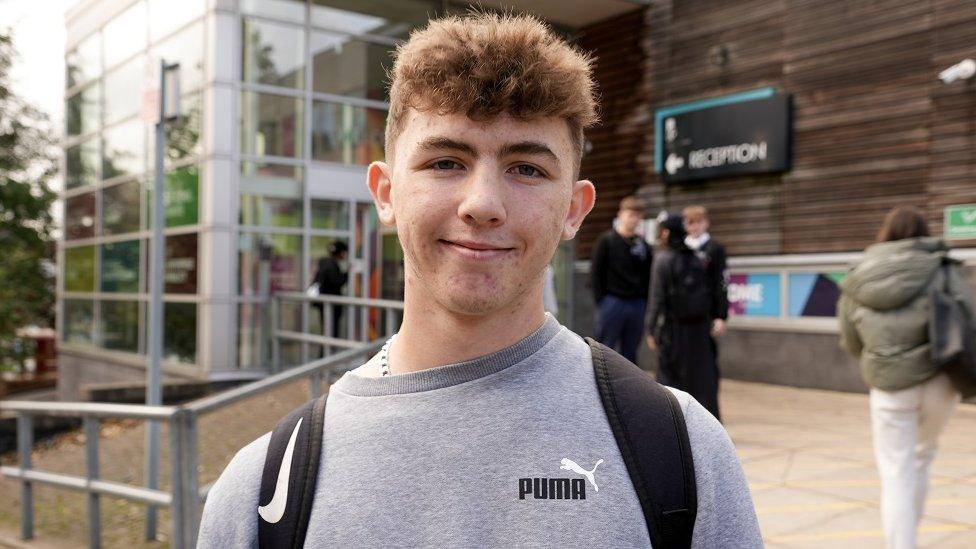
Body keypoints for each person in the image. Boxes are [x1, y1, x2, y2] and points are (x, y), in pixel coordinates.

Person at [199, 13, 760, 547]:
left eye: (527, 168)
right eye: (446, 161)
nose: (484, 204)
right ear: (386, 194)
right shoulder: (265, 490)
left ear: (574, 209)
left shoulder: (681, 450)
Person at [838, 206, 970, 549]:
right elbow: (969, 316)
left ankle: (902, 543)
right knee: (922, 456)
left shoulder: (860, 275)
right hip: (940, 380)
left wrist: (877, 361)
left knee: (896, 471)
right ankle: (909, 534)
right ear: (923, 233)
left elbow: (851, 339)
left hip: (888, 385)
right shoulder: (941, 268)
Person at [645, 213, 723, 420]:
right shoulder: (697, 257)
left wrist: (650, 329)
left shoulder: (663, 259)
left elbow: (656, 298)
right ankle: (707, 425)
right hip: (700, 329)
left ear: (666, 232)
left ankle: (672, 425)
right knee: (702, 381)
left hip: (674, 330)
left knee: (669, 382)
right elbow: (715, 289)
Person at [590, 196, 653, 363]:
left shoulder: (643, 245)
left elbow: (648, 276)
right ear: (620, 214)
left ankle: (628, 388)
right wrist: (602, 303)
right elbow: (596, 272)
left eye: (638, 216)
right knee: (604, 350)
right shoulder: (607, 240)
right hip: (612, 301)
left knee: (631, 352)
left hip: (637, 303)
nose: (634, 219)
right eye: (630, 214)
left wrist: (644, 302)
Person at [682, 206, 729, 339]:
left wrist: (721, 315)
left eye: (699, 222)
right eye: (691, 222)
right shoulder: (680, 249)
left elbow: (722, 281)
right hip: (683, 313)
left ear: (706, 223)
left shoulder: (715, 248)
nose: (695, 226)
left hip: (707, 310)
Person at [310, 241, 349, 337]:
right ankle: (328, 352)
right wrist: (347, 273)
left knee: (327, 331)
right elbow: (337, 282)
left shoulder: (324, 263)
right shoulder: (331, 265)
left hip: (325, 304)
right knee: (331, 332)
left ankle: (326, 351)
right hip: (331, 304)